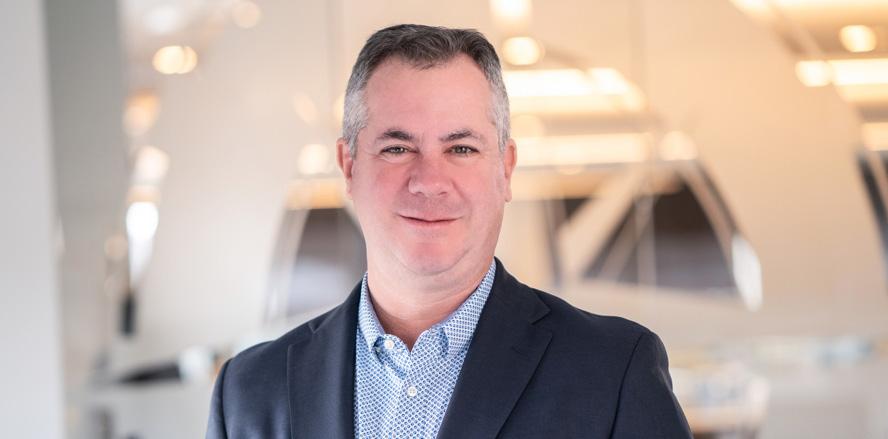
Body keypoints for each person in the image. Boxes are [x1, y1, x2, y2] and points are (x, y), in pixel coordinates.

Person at [206, 24, 692, 439]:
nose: (429, 181)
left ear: (505, 169)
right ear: (349, 167)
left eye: (461, 149)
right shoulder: (250, 392)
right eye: (397, 148)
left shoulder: (612, 372)